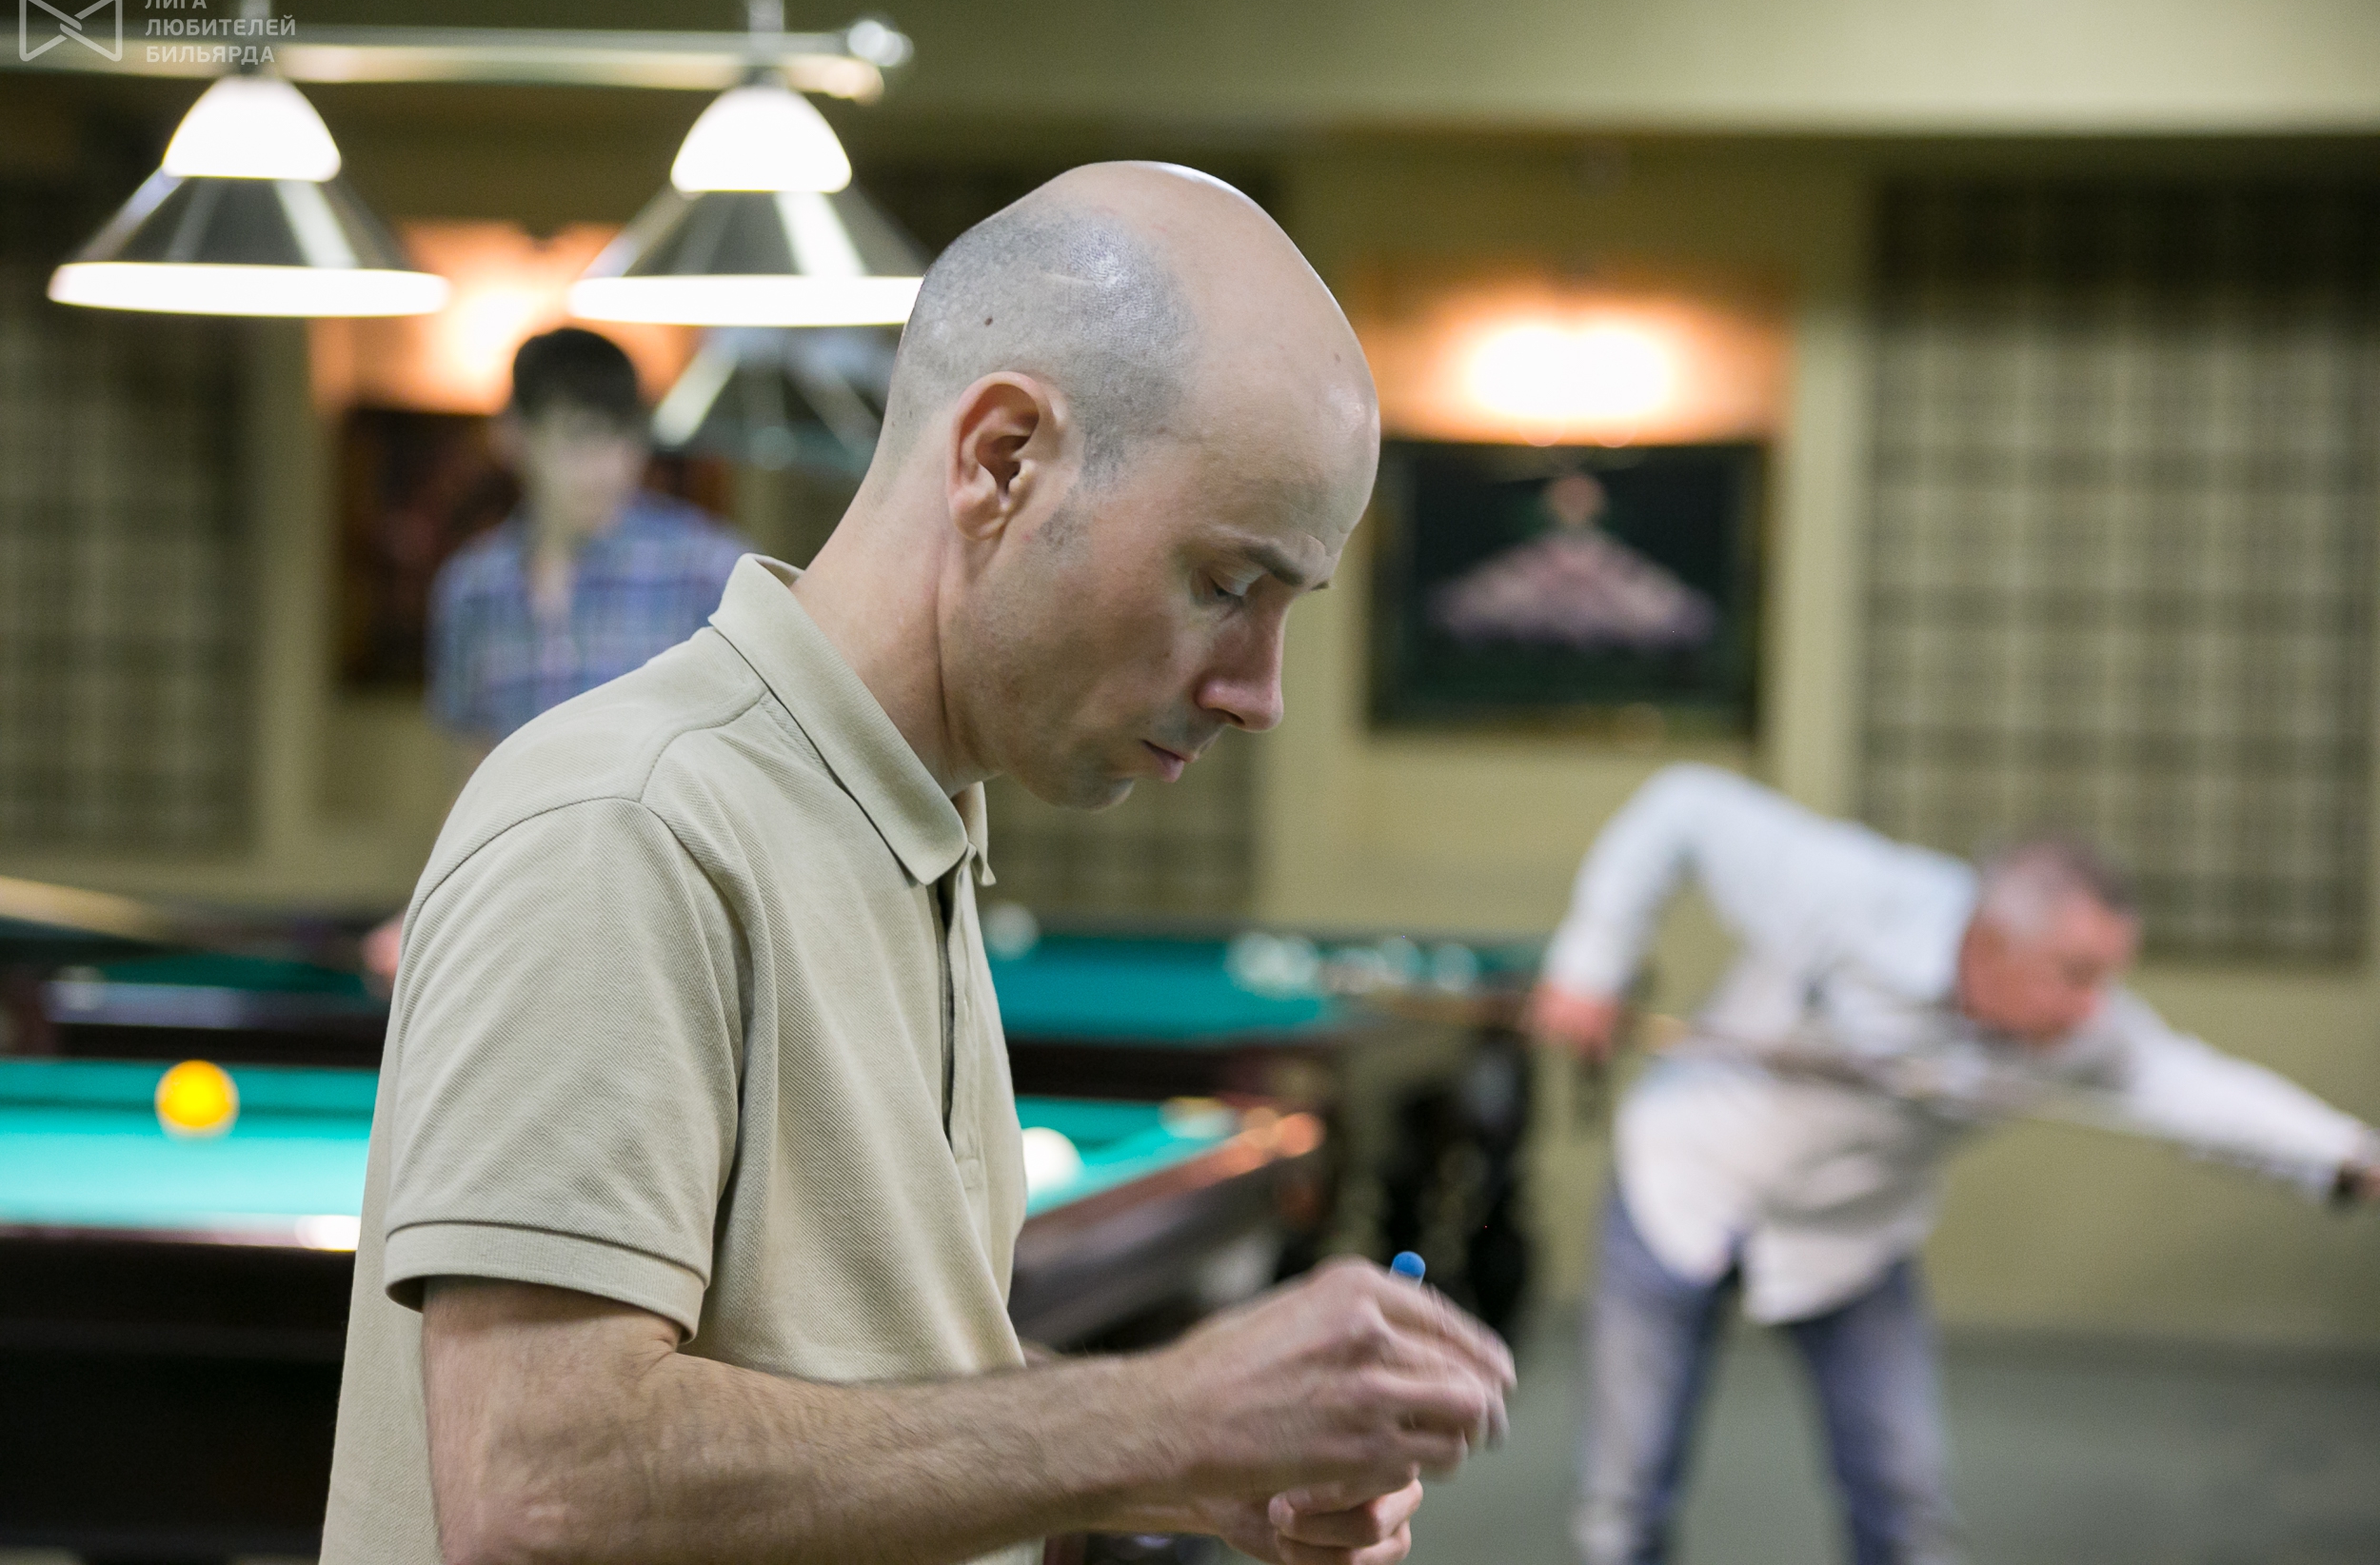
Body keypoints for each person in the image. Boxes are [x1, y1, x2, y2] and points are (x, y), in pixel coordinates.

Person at [322, 164, 1514, 1565]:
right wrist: (1161, 1420)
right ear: (1002, 459)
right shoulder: (628, 819)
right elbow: (543, 1485)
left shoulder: (904, 824)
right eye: (1224, 583)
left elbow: (868, 1392)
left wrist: (1200, 1476)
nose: (1260, 691)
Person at [1526, 763, 2380, 1565]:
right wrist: (1591, 964)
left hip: (1849, 1240)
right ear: (1996, 942)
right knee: (1623, 1498)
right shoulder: (1855, 893)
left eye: (2107, 977)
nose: (2095, 1006)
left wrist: (2350, 1154)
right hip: (1681, 1186)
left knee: (1906, 1504)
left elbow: (2195, 1087)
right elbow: (1685, 802)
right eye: (2076, 973)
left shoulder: (2080, 1029)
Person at [359, 327, 749, 983]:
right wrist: (429, 913)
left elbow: (751, 772)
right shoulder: (471, 590)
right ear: (513, 436)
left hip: (672, 926)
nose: (607, 466)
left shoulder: (709, 569)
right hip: (524, 925)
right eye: (578, 438)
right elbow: (474, 782)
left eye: (623, 438)